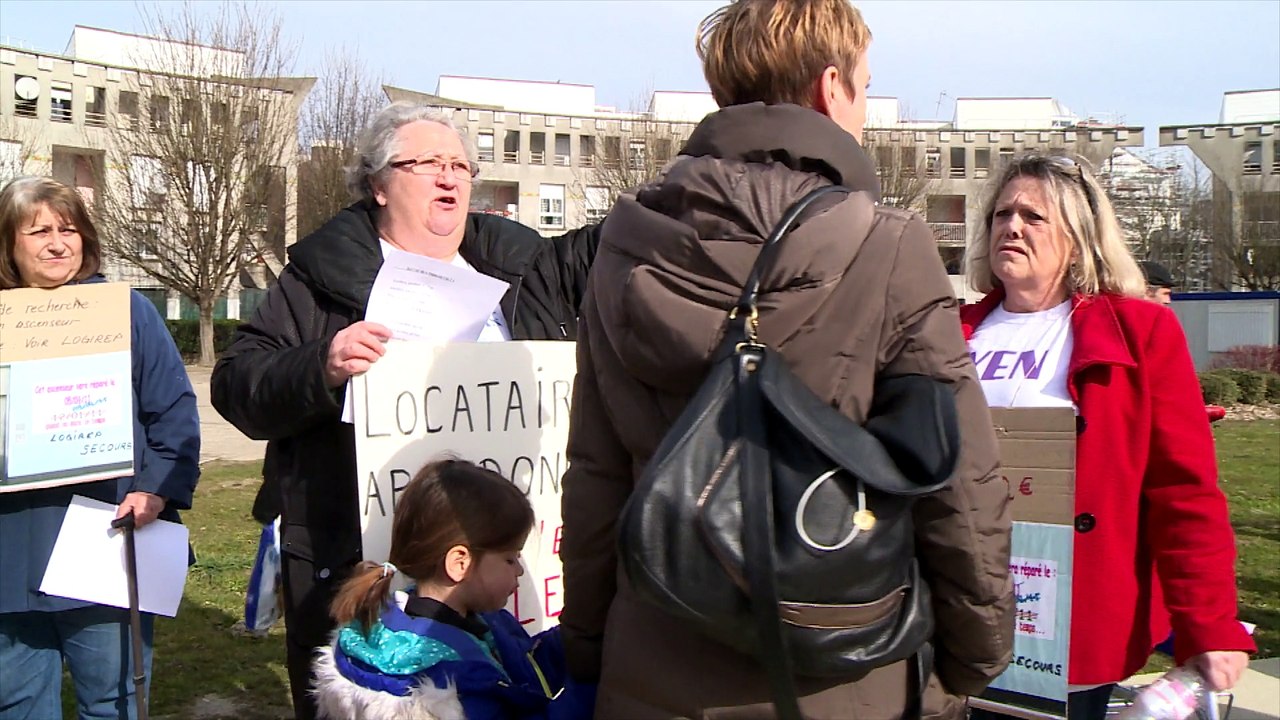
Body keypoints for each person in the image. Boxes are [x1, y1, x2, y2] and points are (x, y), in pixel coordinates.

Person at [558, 1, 1014, 718]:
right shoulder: (889, 245)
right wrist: (977, 648)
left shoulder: (623, 244)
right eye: (864, 86)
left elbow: (595, 473)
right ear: (832, 88)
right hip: (838, 661)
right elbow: (956, 479)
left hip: (657, 651)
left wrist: (585, 642)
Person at [210, 102, 598, 719]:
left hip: (496, 566)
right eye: (426, 164)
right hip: (353, 553)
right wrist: (323, 364)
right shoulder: (317, 277)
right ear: (378, 184)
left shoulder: (523, 268)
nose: (449, 178)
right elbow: (236, 386)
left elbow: (619, 245)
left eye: (460, 165)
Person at [960, 152, 1254, 720]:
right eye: (1000, 214)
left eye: (1033, 216)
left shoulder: (1141, 331)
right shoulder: (950, 331)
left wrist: (1209, 622)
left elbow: (1184, 491)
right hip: (956, 605)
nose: (1011, 226)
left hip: (1068, 617)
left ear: (1080, 233)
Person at [0, 176, 200, 719]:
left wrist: (154, 492)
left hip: (105, 538)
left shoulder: (127, 310)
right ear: (8, 244)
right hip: (10, 550)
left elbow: (173, 414)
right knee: (17, 705)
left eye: (69, 229)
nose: (58, 243)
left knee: (115, 704)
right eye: (38, 231)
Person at [312, 458, 586, 720]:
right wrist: (590, 691)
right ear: (459, 563)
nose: (519, 570)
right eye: (510, 559)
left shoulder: (450, 619)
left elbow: (525, 665)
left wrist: (579, 635)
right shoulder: (456, 688)